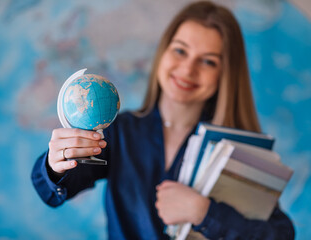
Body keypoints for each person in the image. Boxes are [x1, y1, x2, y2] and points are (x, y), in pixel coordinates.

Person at [31, 1, 295, 239]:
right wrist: (56, 164)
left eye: (208, 61)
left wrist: (205, 213)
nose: (188, 69)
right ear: (163, 53)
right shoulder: (117, 134)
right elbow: (56, 190)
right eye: (180, 51)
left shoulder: (237, 151)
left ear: (225, 74)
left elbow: (281, 235)